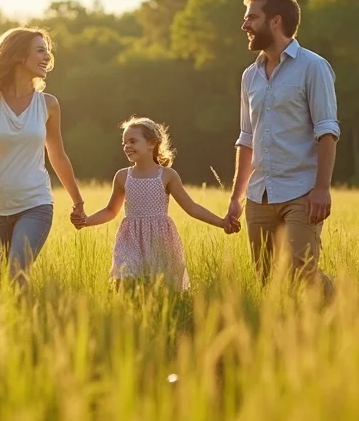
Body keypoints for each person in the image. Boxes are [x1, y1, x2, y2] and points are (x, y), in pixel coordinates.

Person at [223, 0, 339, 299]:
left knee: (302, 269)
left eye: (252, 17)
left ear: (275, 21)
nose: (245, 25)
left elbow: (327, 131)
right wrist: (237, 197)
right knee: (267, 281)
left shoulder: (313, 67)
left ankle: (343, 309)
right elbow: (246, 139)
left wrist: (322, 188)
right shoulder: (250, 76)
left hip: (301, 191)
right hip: (259, 194)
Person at [0, 27, 85, 287]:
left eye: (48, 51)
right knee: (0, 286)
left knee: (16, 274)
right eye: (40, 50)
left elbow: (57, 156)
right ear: (19, 55)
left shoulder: (48, 104)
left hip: (35, 205)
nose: (48, 57)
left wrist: (78, 201)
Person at [73, 116, 238, 292]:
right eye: (124, 142)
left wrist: (222, 222)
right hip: (130, 239)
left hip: (160, 240)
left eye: (133, 141)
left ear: (152, 143)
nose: (127, 146)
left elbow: (191, 207)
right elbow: (110, 211)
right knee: (125, 284)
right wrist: (86, 221)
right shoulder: (122, 176)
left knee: (160, 288)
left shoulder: (167, 175)